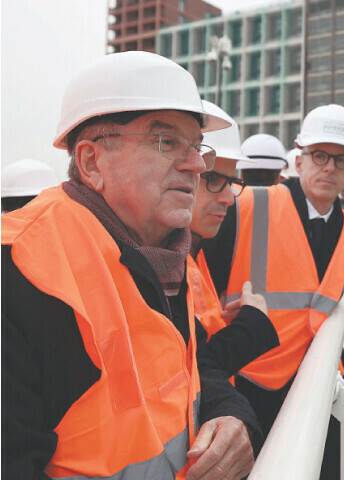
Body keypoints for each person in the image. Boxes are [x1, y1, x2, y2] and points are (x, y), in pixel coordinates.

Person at [1, 51, 259, 479]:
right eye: (167, 142)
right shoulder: (18, 267)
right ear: (91, 162)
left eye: (196, 146)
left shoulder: (168, 258)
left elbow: (187, 379)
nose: (195, 164)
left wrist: (235, 419)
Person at [201, 103, 344, 479]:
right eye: (319, 155)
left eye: (341, 161)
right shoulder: (245, 206)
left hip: (316, 381)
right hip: (245, 380)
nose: (329, 168)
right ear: (299, 158)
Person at [187, 101, 280, 383]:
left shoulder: (192, 253)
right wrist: (251, 325)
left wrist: (226, 324)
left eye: (231, 182)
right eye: (213, 179)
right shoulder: (161, 260)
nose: (228, 198)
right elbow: (189, 376)